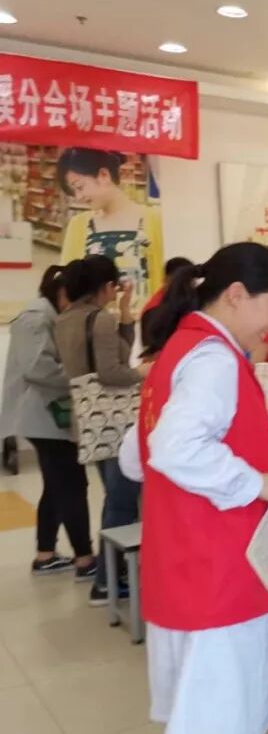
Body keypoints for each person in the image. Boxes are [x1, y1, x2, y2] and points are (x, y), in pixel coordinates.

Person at [117, 243, 268, 734]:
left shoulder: (179, 349)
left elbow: (135, 457)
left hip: (182, 570)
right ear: (237, 295)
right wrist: (256, 482)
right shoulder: (216, 360)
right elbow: (174, 448)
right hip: (221, 581)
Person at [54, 255, 147, 606]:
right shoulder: (100, 319)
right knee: (121, 504)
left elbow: (108, 356)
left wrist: (124, 313)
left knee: (114, 498)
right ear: (106, 286)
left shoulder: (66, 319)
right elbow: (113, 372)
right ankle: (106, 581)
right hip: (116, 422)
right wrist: (144, 372)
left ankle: (112, 573)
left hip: (92, 420)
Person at [0, 266, 95, 579]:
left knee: (56, 485)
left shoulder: (47, 315)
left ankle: (45, 555)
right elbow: (37, 367)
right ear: (62, 292)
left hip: (47, 414)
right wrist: (79, 377)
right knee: (72, 484)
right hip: (41, 415)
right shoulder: (35, 317)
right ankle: (85, 559)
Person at [59, 147, 164, 309]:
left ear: (104, 175)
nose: (78, 197)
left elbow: (165, 281)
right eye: (74, 191)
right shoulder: (78, 225)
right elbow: (67, 283)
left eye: (79, 187)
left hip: (145, 320)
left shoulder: (153, 219)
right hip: (95, 321)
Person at [142, 257, 194, 347]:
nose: (188, 287)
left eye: (191, 282)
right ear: (167, 280)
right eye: (183, 282)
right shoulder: (153, 311)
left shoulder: (189, 302)